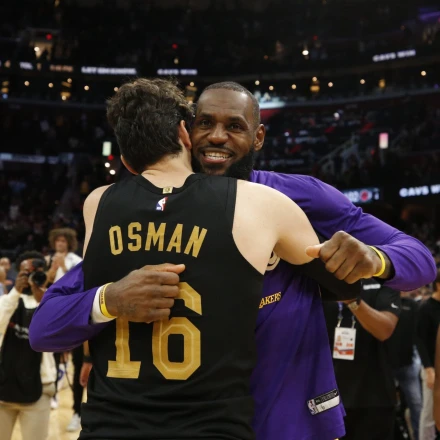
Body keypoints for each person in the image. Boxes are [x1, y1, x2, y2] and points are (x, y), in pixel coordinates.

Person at [30, 81, 436, 440]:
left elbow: (420, 260)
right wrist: (110, 298)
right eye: (204, 123)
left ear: (258, 137)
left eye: (235, 126)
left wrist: (376, 260)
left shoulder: (295, 197)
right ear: (185, 132)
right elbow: (51, 320)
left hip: (289, 417)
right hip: (202, 421)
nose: (217, 136)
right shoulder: (150, 218)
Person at [323, 279, 401, 440]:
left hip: (374, 397)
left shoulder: (383, 279)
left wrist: (352, 301)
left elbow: (384, 329)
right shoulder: (320, 280)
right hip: (328, 398)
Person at [0, 252, 57, 440]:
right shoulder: (7, 300)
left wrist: (42, 296)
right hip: (3, 388)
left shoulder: (51, 302)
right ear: (18, 274)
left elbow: (56, 333)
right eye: (26, 272)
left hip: (39, 389)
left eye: (35, 273)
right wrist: (15, 292)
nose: (31, 277)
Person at [45, 227, 83, 427]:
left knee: (78, 362)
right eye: (57, 240)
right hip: (53, 314)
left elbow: (79, 285)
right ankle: (52, 396)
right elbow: (43, 286)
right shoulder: (47, 260)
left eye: (63, 240)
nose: (60, 243)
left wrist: (64, 268)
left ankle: (77, 411)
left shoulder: (76, 261)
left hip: (73, 314)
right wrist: (52, 269)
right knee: (51, 360)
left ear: (69, 242)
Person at [387, 290, 422, 440]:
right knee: (387, 406)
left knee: (417, 403)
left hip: (408, 363)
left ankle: (419, 436)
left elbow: (419, 334)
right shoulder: (384, 300)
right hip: (385, 365)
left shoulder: (412, 305)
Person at [416, 271, 440, 440]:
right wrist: (428, 368)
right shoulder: (426, 308)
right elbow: (420, 340)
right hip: (432, 367)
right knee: (430, 413)